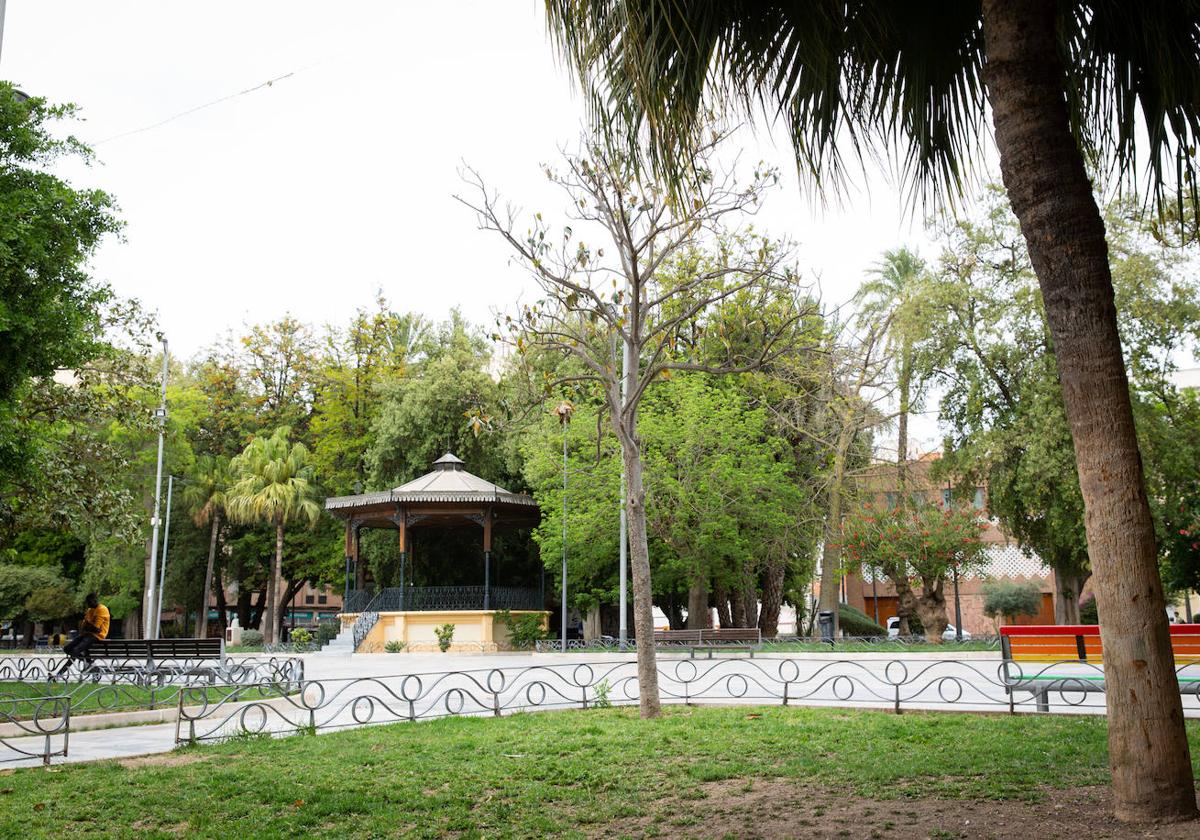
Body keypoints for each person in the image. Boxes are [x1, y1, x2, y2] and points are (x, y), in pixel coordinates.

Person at [57, 593, 109, 677]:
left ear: (95, 600)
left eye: (89, 602)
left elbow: (96, 629)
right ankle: (89, 662)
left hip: (97, 636)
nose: (87, 604)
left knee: (75, 651)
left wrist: (89, 626)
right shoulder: (90, 610)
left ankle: (59, 674)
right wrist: (89, 626)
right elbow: (83, 627)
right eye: (87, 602)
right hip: (87, 634)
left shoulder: (102, 609)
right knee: (67, 649)